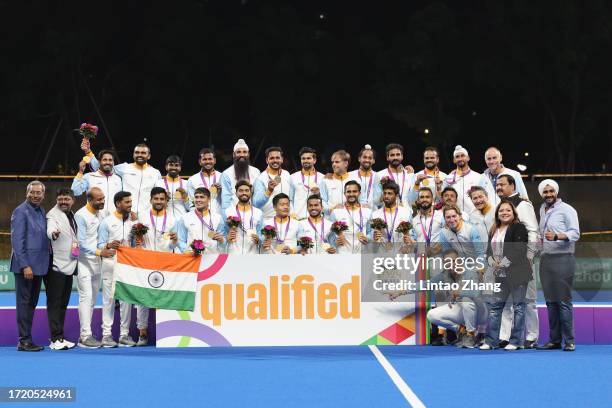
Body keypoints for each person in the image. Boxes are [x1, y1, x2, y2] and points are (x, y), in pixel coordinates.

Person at [535, 179, 580, 352]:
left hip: (563, 258)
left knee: (563, 301)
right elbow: (543, 233)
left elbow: (575, 233)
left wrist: (557, 236)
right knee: (550, 302)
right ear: (541, 194)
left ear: (556, 192)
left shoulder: (567, 210)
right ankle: (554, 340)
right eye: (545, 192)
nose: (548, 194)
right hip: (546, 260)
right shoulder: (542, 209)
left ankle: (569, 341)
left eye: (551, 191)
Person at [481, 201, 533, 351]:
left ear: (513, 212)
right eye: (501, 210)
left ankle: (516, 341)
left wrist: (503, 262)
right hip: (500, 275)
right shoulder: (494, 229)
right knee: (495, 308)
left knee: (519, 307)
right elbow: (488, 251)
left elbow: (519, 248)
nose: (504, 212)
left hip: (518, 274)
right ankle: (491, 342)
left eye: (508, 210)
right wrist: (491, 261)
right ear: (497, 213)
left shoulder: (519, 227)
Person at [496, 174, 540, 348]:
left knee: (528, 300)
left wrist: (529, 257)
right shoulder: (500, 206)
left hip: (523, 263)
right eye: (497, 185)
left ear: (512, 186)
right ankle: (505, 336)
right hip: (505, 263)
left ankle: (531, 336)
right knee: (506, 302)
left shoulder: (523, 204)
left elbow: (533, 231)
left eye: (502, 185)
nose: (499, 187)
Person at [134, 187, 179, 346]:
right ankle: (142, 332)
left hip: (165, 261)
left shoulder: (173, 220)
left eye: (162, 199)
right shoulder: (142, 217)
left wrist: (174, 241)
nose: (159, 201)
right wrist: (137, 242)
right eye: (156, 199)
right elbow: (136, 238)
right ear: (151, 200)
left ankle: (167, 333)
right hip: (145, 260)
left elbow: (174, 244)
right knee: (142, 298)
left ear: (166, 201)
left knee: (166, 296)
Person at [10, 181, 51, 351]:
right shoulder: (20, 211)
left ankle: (26, 338)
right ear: (27, 193)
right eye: (32, 192)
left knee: (31, 303)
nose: (35, 195)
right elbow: (17, 242)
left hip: (39, 265)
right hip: (26, 267)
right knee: (24, 303)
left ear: (43, 195)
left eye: (38, 193)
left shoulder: (41, 210)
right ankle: (24, 340)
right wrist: (25, 265)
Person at [74, 187, 114, 348]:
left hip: (98, 262)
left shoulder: (103, 213)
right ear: (89, 200)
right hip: (83, 262)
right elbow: (80, 243)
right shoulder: (80, 215)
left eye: (103, 198)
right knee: (86, 297)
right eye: (99, 199)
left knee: (92, 300)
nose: (102, 201)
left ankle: (85, 334)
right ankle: (85, 336)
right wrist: (100, 252)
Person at [97, 191, 137, 347]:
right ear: (118, 203)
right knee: (109, 300)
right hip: (110, 264)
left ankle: (124, 335)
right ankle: (106, 335)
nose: (130, 204)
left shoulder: (133, 222)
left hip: (127, 265)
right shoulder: (107, 222)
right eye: (127, 202)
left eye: (130, 202)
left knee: (126, 301)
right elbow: (99, 245)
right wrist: (108, 245)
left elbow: (134, 244)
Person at [83, 141, 162, 217]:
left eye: (143, 153)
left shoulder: (155, 173)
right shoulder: (124, 168)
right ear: (133, 155)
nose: (139, 155)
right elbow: (101, 167)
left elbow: (159, 195)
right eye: (137, 152)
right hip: (127, 215)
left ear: (149, 156)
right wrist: (88, 152)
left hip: (148, 215)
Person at [426, 249, 482, 349]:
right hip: (461, 309)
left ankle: (471, 335)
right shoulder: (445, 275)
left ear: (459, 260)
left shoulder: (470, 272)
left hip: (479, 311)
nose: (451, 264)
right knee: (431, 315)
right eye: (447, 262)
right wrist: (402, 291)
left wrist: (459, 292)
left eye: (453, 261)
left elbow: (476, 293)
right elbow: (426, 284)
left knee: (466, 301)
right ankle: (461, 330)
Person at [45, 188, 79, 350]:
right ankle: (55, 339)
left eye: (67, 199)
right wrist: (53, 233)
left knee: (63, 303)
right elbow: (50, 228)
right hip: (56, 266)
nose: (63, 202)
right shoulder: (53, 214)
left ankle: (60, 337)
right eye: (61, 199)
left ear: (73, 200)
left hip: (69, 264)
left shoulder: (71, 214)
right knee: (55, 303)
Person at [71, 149, 122, 217]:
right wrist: (80, 172)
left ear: (113, 162)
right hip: (93, 219)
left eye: (110, 160)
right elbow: (75, 191)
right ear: (99, 162)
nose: (108, 162)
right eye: (105, 160)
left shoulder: (118, 179)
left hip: (113, 220)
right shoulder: (89, 176)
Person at [176, 187, 225, 254]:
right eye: (196, 197)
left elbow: (223, 242)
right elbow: (180, 240)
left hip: (212, 258)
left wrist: (222, 240)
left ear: (209, 199)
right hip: (192, 258)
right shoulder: (185, 218)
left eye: (202, 197)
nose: (198, 200)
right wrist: (187, 251)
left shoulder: (218, 218)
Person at [329, 181, 372, 254]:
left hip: (362, 252)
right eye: (348, 192)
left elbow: (370, 231)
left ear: (359, 193)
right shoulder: (336, 212)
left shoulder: (367, 211)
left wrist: (368, 238)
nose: (351, 194)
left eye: (354, 191)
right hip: (343, 252)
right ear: (344, 194)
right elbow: (330, 233)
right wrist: (335, 241)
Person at [253, 147, 295, 219]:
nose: (275, 160)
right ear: (267, 160)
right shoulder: (260, 179)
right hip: (269, 220)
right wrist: (268, 191)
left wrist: (293, 212)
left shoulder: (287, 174)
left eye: (277, 158)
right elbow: (256, 204)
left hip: (286, 219)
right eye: (272, 158)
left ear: (282, 159)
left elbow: (291, 198)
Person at [222, 180, 263, 255]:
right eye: (240, 191)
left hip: (252, 253)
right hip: (233, 253)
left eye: (247, 190)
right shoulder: (227, 212)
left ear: (250, 193)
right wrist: (226, 238)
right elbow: (223, 233)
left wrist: (259, 239)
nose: (244, 193)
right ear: (236, 193)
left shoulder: (258, 212)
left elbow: (261, 234)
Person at [370, 181, 414, 247]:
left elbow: (413, 235)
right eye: (384, 193)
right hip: (381, 254)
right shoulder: (375, 214)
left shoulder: (406, 213)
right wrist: (373, 238)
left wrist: (410, 240)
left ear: (396, 196)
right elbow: (370, 237)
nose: (386, 196)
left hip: (401, 253)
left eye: (390, 193)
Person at [220, 139, 261, 209]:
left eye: (244, 152)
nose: (242, 155)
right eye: (238, 152)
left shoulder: (256, 172)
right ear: (233, 154)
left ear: (248, 154)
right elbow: (225, 200)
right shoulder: (226, 174)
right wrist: (229, 218)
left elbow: (258, 195)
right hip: (234, 215)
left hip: (252, 213)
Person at [443, 145, 481, 215]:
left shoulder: (478, 177)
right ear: (454, 160)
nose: (460, 159)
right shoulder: (448, 179)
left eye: (462, 155)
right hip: (456, 217)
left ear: (468, 158)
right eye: (457, 157)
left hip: (475, 215)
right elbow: (443, 198)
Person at [377, 143, 416, 207]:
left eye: (398, 155)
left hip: (407, 213)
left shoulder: (410, 174)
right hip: (386, 213)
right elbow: (377, 201)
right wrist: (382, 186)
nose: (395, 157)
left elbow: (414, 198)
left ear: (402, 156)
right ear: (387, 157)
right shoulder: (379, 175)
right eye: (392, 155)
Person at [290, 147, 324, 220]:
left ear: (314, 160)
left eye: (308, 158)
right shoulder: (293, 177)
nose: (305, 160)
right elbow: (290, 198)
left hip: (316, 219)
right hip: (298, 218)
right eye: (303, 158)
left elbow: (326, 200)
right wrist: (292, 213)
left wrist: (319, 194)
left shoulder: (322, 178)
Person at [186, 148, 223, 215]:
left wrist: (222, 191)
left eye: (210, 159)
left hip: (219, 217)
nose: (208, 162)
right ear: (200, 162)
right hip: (200, 218)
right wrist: (197, 217)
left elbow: (228, 200)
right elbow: (191, 203)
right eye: (204, 159)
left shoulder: (223, 177)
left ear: (214, 160)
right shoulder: (192, 180)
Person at [348, 145, 381, 209]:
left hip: (373, 213)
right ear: (359, 159)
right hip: (354, 211)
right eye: (365, 157)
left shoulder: (378, 176)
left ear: (374, 161)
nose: (367, 160)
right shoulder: (350, 175)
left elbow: (381, 198)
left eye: (370, 158)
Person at [320, 150, 352, 214]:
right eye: (332, 162)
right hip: (332, 219)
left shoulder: (354, 179)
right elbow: (322, 202)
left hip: (352, 217)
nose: (334, 164)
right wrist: (333, 209)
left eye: (337, 162)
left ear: (346, 163)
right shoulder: (325, 181)